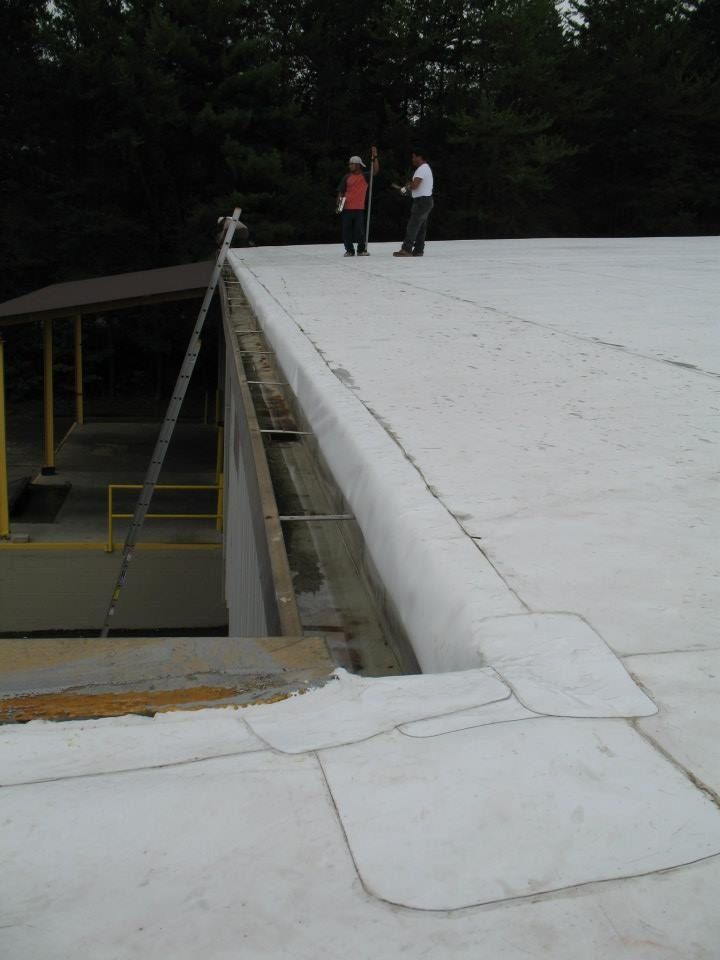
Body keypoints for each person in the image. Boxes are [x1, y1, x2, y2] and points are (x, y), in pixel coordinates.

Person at [336, 147, 379, 257]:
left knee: (359, 231)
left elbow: (375, 171)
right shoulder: (347, 177)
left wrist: (374, 157)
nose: (350, 166)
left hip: (359, 208)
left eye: (352, 164)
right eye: (350, 164)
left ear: (358, 165)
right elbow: (341, 191)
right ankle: (349, 250)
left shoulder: (365, 176)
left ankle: (361, 250)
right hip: (346, 208)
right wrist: (339, 206)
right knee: (346, 231)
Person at [393, 150, 434, 258]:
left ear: (419, 157)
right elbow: (419, 189)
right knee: (421, 227)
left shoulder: (421, 169)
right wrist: (408, 190)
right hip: (426, 201)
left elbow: (415, 186)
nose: (412, 160)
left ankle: (406, 249)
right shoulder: (426, 168)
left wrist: (407, 186)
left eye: (414, 157)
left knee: (413, 226)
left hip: (421, 202)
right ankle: (419, 250)